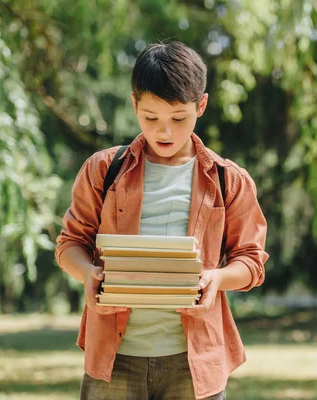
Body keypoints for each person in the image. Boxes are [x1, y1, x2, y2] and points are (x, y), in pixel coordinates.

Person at [56, 41, 269, 400]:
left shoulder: (227, 179)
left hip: (194, 360)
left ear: (201, 105)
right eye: (151, 118)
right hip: (114, 358)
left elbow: (251, 261)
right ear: (134, 104)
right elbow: (70, 244)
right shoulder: (103, 169)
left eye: (178, 118)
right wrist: (87, 273)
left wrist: (217, 278)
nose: (164, 132)